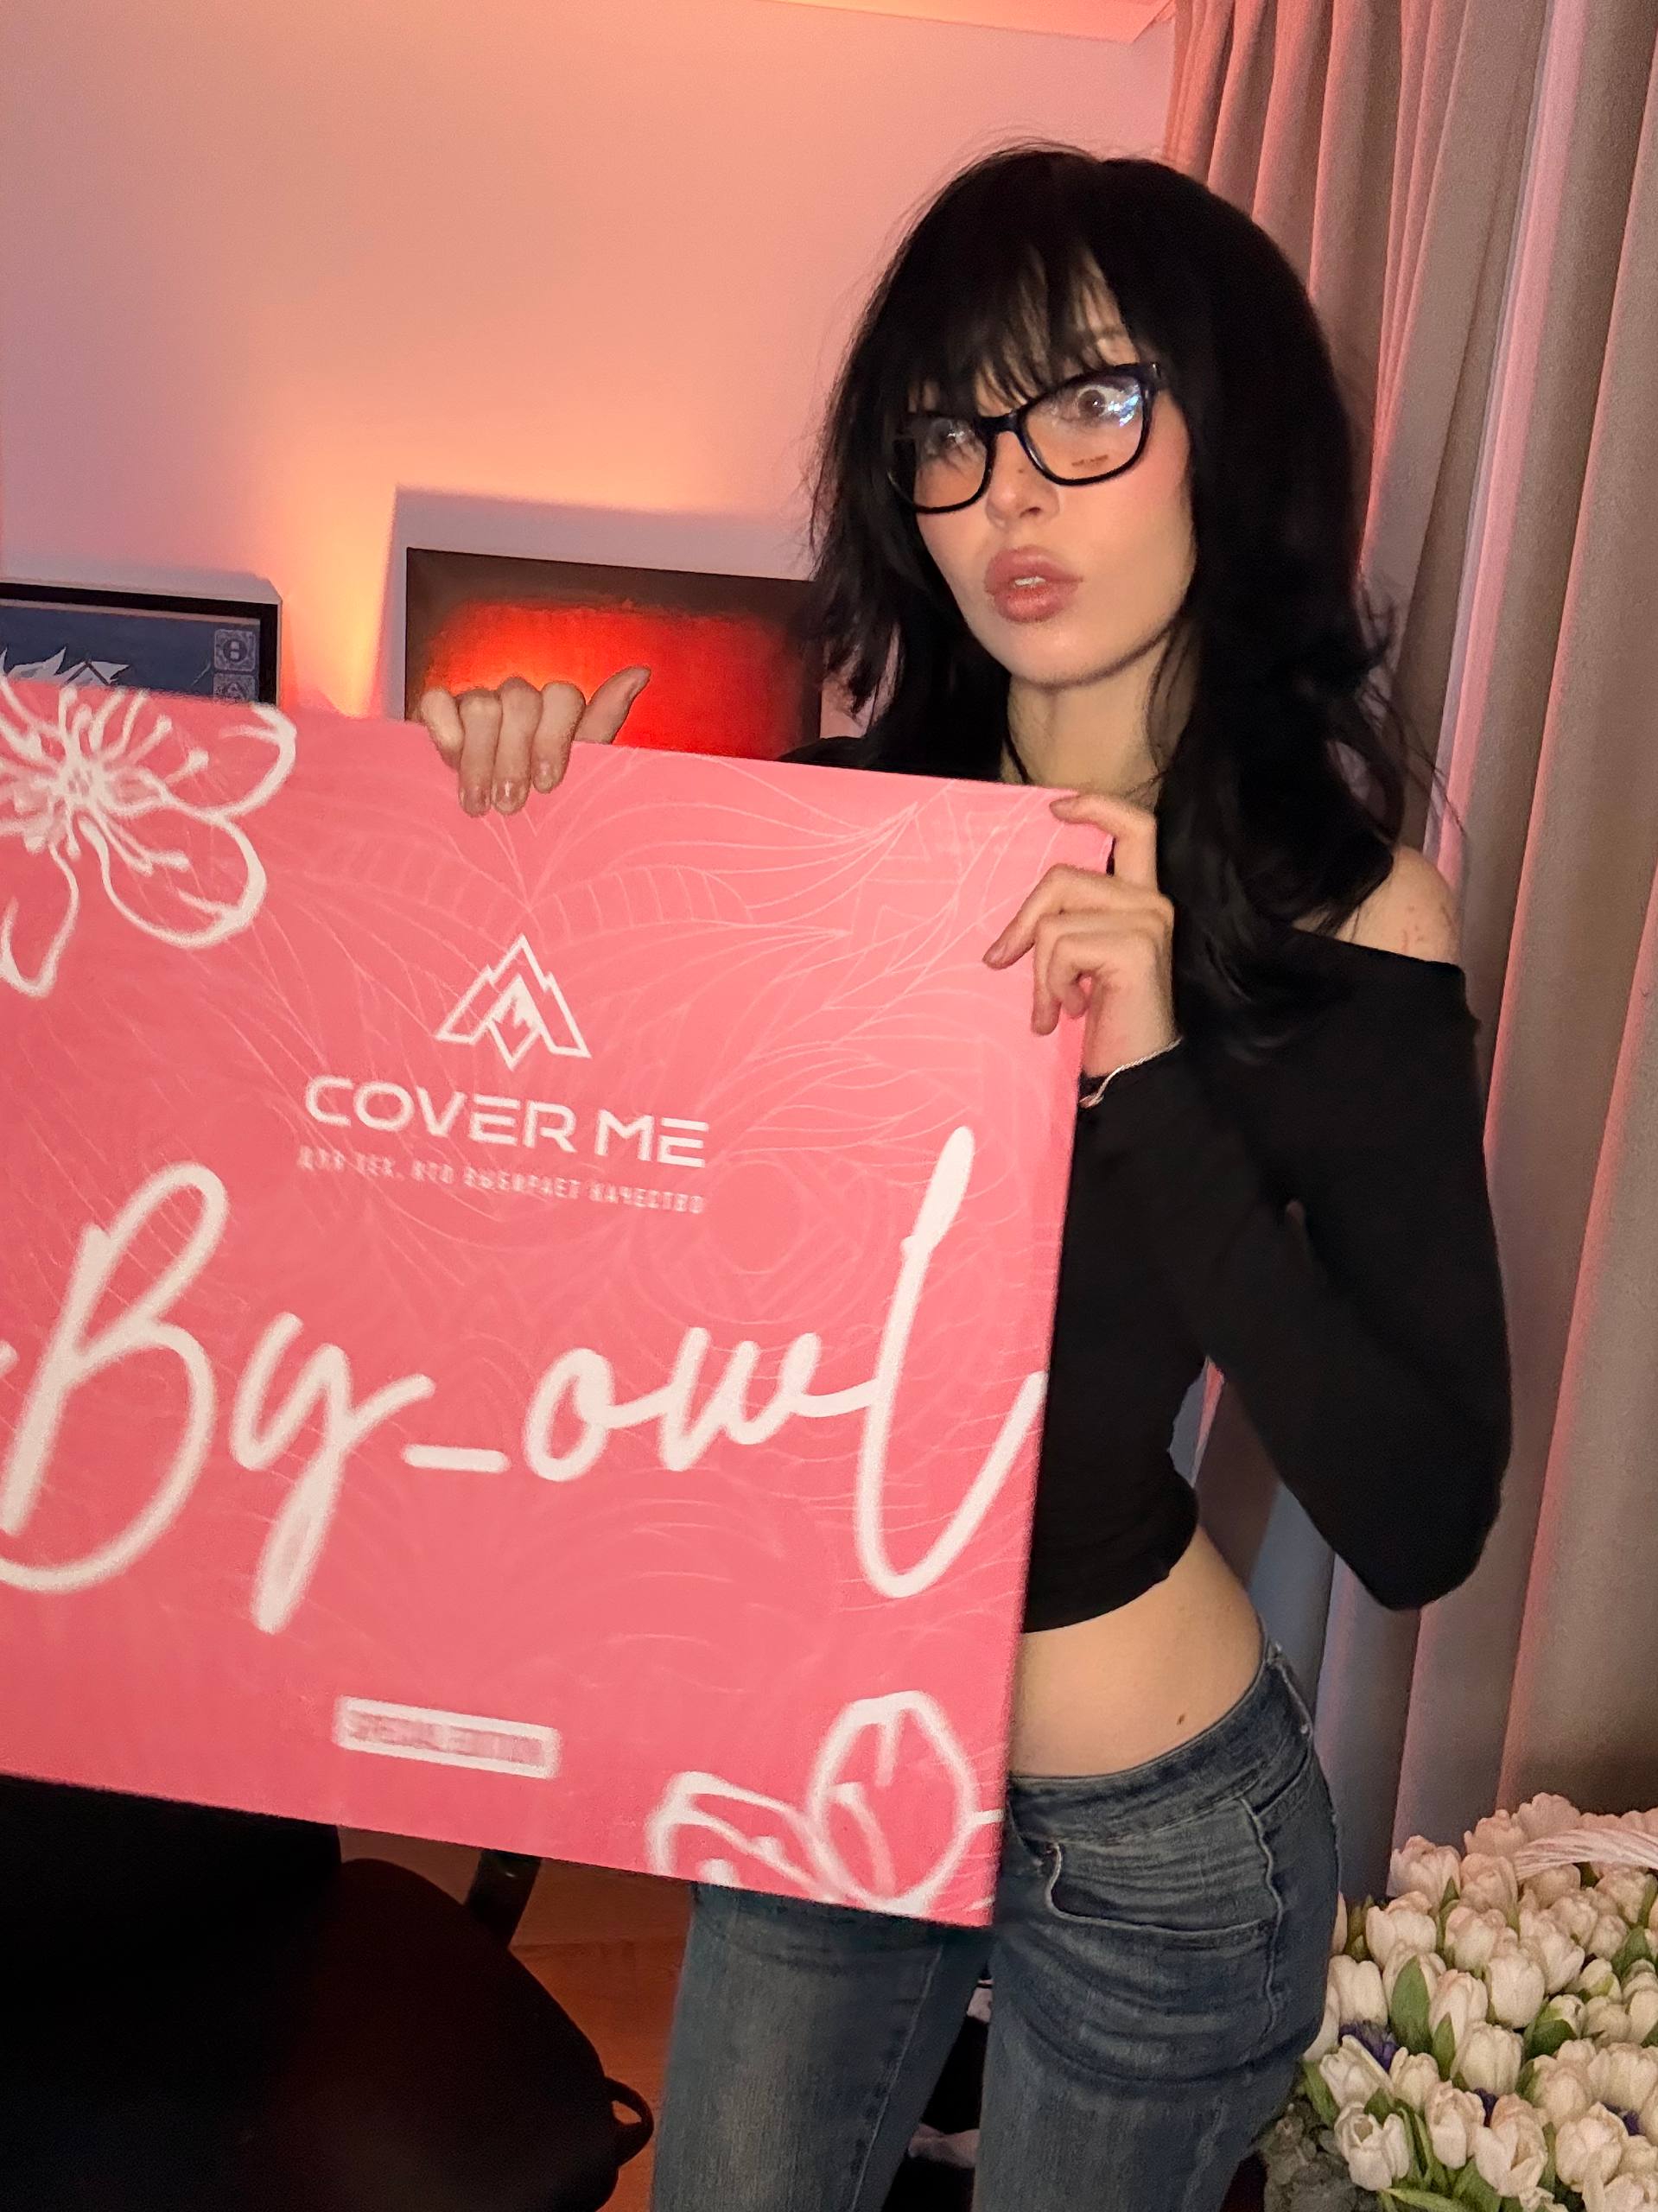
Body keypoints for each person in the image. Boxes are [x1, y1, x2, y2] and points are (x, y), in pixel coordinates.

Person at [418, 147, 1512, 2212]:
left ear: (1233, 425)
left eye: (1088, 402)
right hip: (825, 1754)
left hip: (1157, 1831)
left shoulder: (1343, 914)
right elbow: (520, 1203)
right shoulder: (819, 849)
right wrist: (492, 840)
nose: (1008, 489)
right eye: (949, 427)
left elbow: (1421, 1506)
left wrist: (1158, 1073)